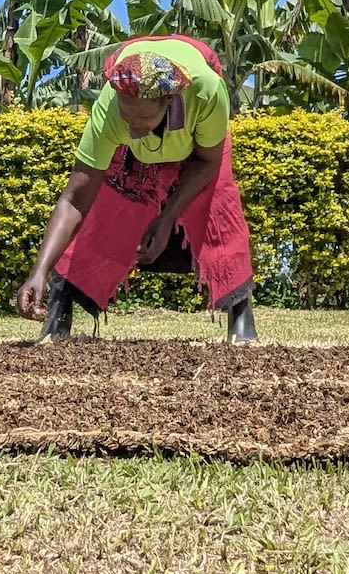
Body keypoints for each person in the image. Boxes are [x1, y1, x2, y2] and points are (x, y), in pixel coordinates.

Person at [15, 34, 258, 343]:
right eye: (125, 115)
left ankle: (240, 313)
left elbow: (207, 161)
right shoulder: (110, 108)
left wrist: (167, 217)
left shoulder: (207, 90)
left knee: (218, 211)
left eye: (142, 117)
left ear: (169, 101)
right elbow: (75, 199)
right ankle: (58, 311)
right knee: (107, 210)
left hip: (200, 153)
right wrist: (39, 272)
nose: (131, 127)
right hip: (135, 155)